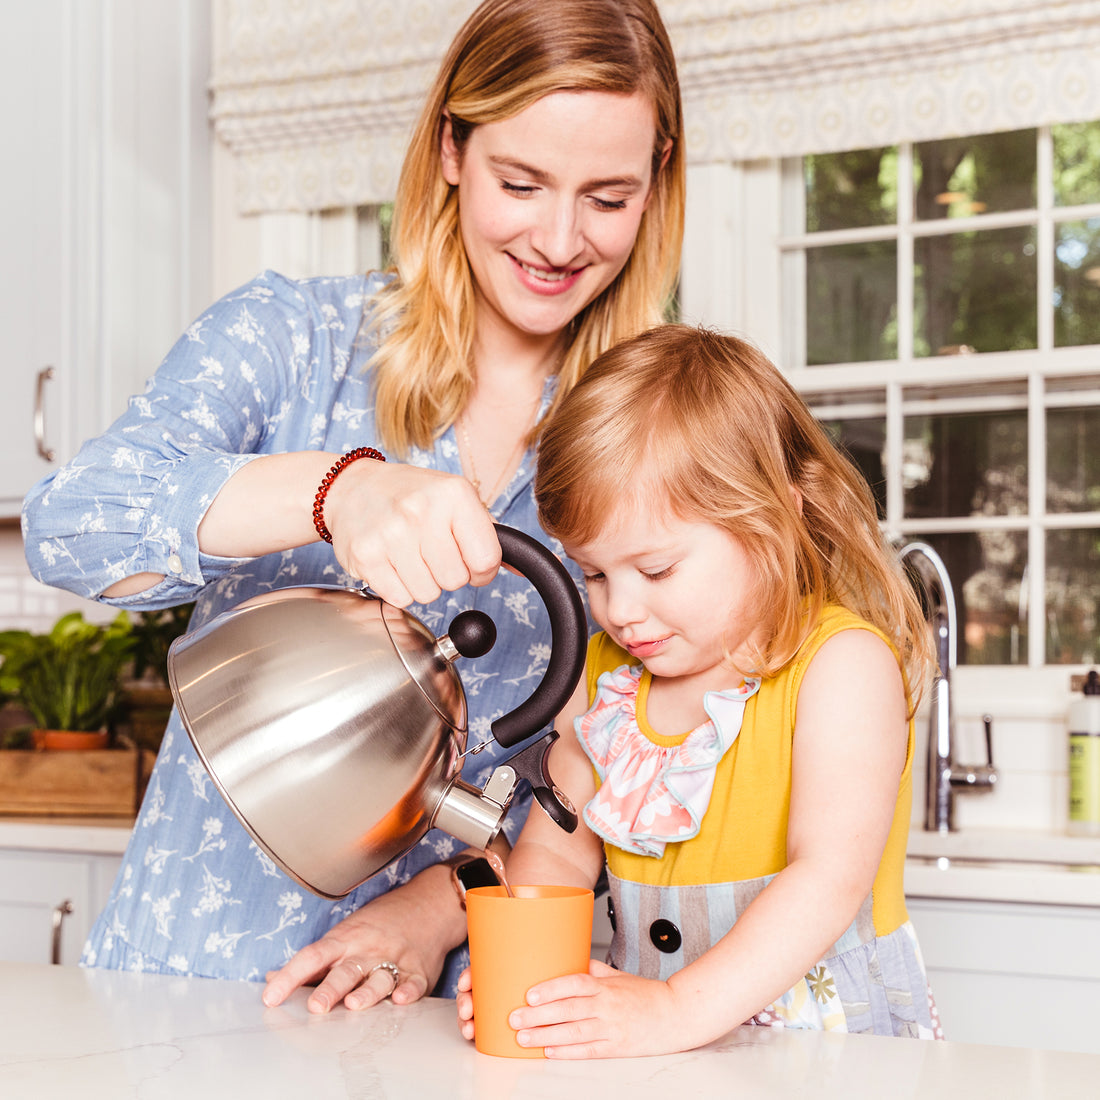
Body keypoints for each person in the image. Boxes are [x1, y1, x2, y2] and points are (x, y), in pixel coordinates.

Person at [20, 0, 684, 1013]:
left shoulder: (649, 441)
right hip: (190, 973)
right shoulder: (294, 342)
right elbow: (70, 525)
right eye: (520, 182)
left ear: (657, 180)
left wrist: (435, 907)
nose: (557, 239)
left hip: (445, 1013)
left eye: (606, 197)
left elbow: (630, 773)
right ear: (451, 149)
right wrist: (334, 488)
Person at [455, 324, 943, 1058]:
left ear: (774, 515)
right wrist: (526, 978)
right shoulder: (601, 673)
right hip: (660, 1050)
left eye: (655, 570)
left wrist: (674, 1010)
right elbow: (559, 852)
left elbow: (829, 876)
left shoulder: (841, 666)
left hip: (826, 1053)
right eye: (593, 573)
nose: (620, 609)